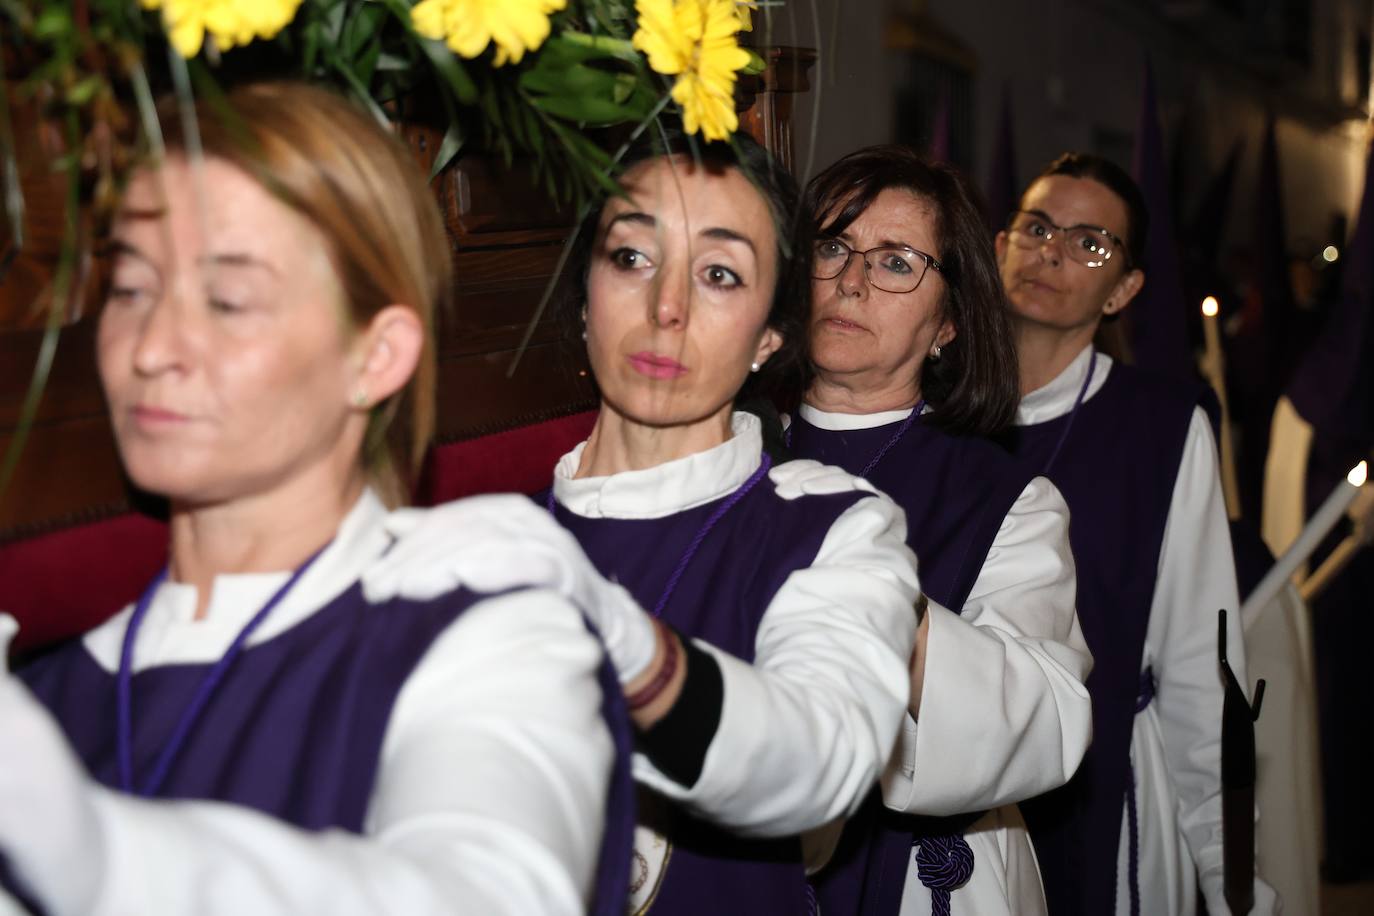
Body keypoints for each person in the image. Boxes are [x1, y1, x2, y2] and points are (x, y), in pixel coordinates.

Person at [0, 82, 630, 916]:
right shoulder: (51, 681)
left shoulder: (492, 637)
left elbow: (490, 891)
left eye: (227, 300)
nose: (152, 348)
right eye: (131, 289)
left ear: (376, 357)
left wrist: (77, 843)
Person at [369, 130, 922, 913]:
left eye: (721, 274)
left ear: (770, 336)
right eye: (631, 258)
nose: (667, 306)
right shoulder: (488, 544)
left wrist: (624, 645)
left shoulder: (830, 530)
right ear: (585, 297)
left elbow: (821, 757)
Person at [785, 145, 1093, 916]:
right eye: (833, 247)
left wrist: (887, 604)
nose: (851, 280)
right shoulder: (735, 453)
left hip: (926, 874)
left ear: (949, 321)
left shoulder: (1006, 499)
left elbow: (1046, 721)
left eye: (896, 263)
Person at [994, 152, 1277, 916]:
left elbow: (1197, 655)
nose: (1052, 251)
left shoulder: (1162, 425)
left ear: (1124, 290)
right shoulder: (928, 405)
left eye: (1091, 243)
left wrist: (1232, 875)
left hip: (1106, 784)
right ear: (999, 247)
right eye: (1038, 227)